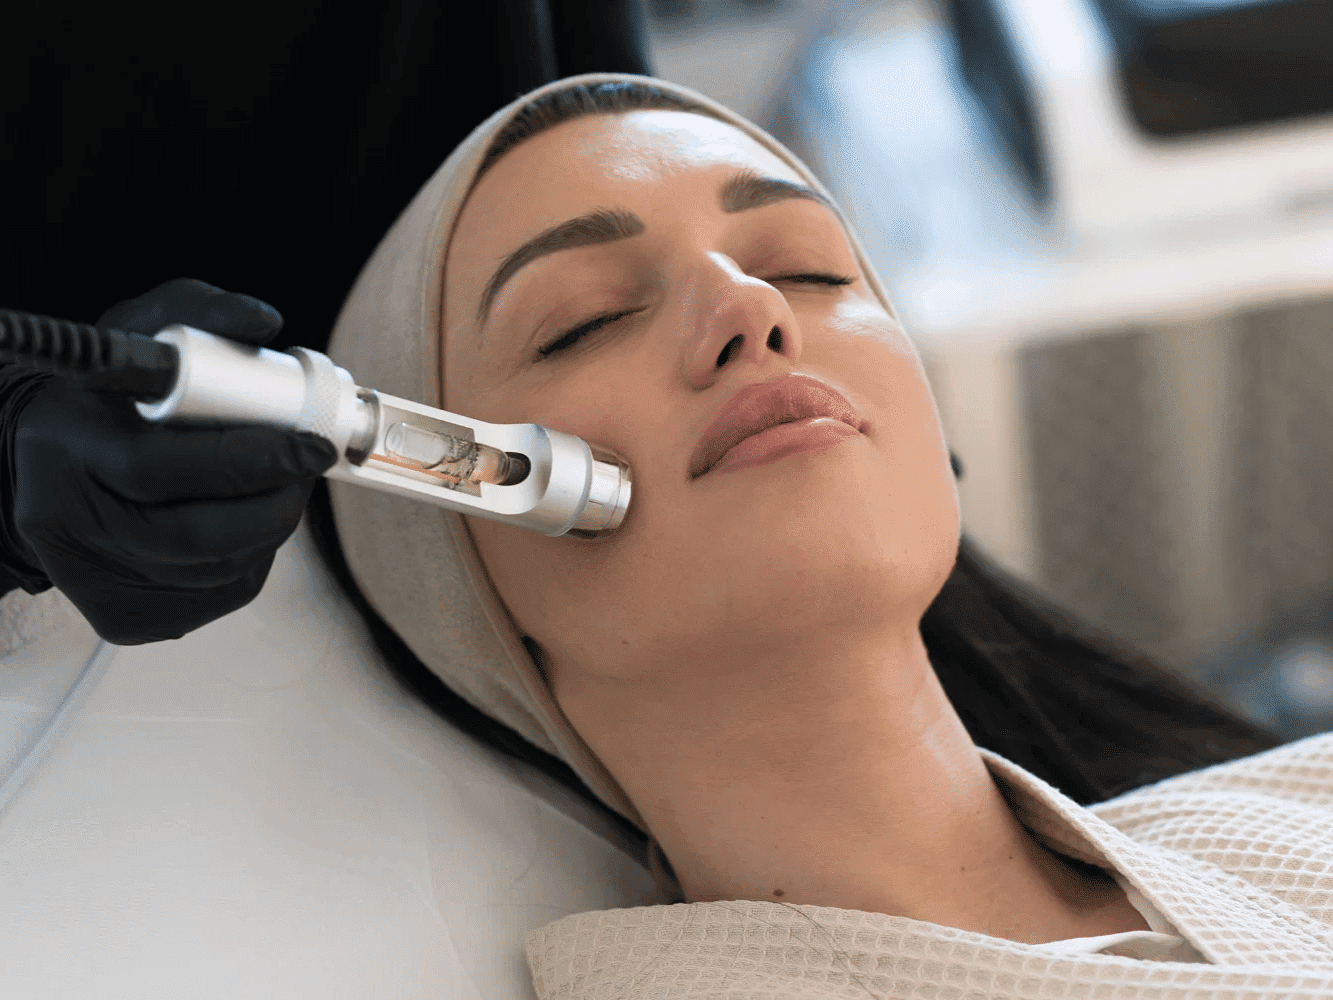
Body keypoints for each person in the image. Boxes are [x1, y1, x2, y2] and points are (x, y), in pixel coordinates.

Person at [312, 73, 1333, 996]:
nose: (748, 305)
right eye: (580, 321)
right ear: (461, 566)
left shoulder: (1301, 810)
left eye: (810, 270)